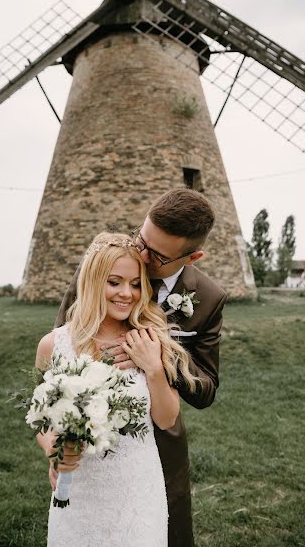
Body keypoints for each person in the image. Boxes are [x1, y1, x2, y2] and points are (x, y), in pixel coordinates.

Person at [55, 188, 227, 547]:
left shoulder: (208, 298)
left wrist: (158, 361)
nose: (141, 255)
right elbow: (64, 348)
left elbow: (206, 389)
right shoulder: (100, 265)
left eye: (157, 255)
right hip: (92, 431)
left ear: (192, 256)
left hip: (160, 440)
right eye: (140, 238)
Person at [35, 232, 196, 547]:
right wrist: (53, 452)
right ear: (94, 282)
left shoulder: (150, 339)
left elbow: (166, 420)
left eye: (136, 284)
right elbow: (42, 415)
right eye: (115, 282)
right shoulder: (54, 344)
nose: (127, 293)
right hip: (79, 490)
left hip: (137, 490)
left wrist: (153, 369)